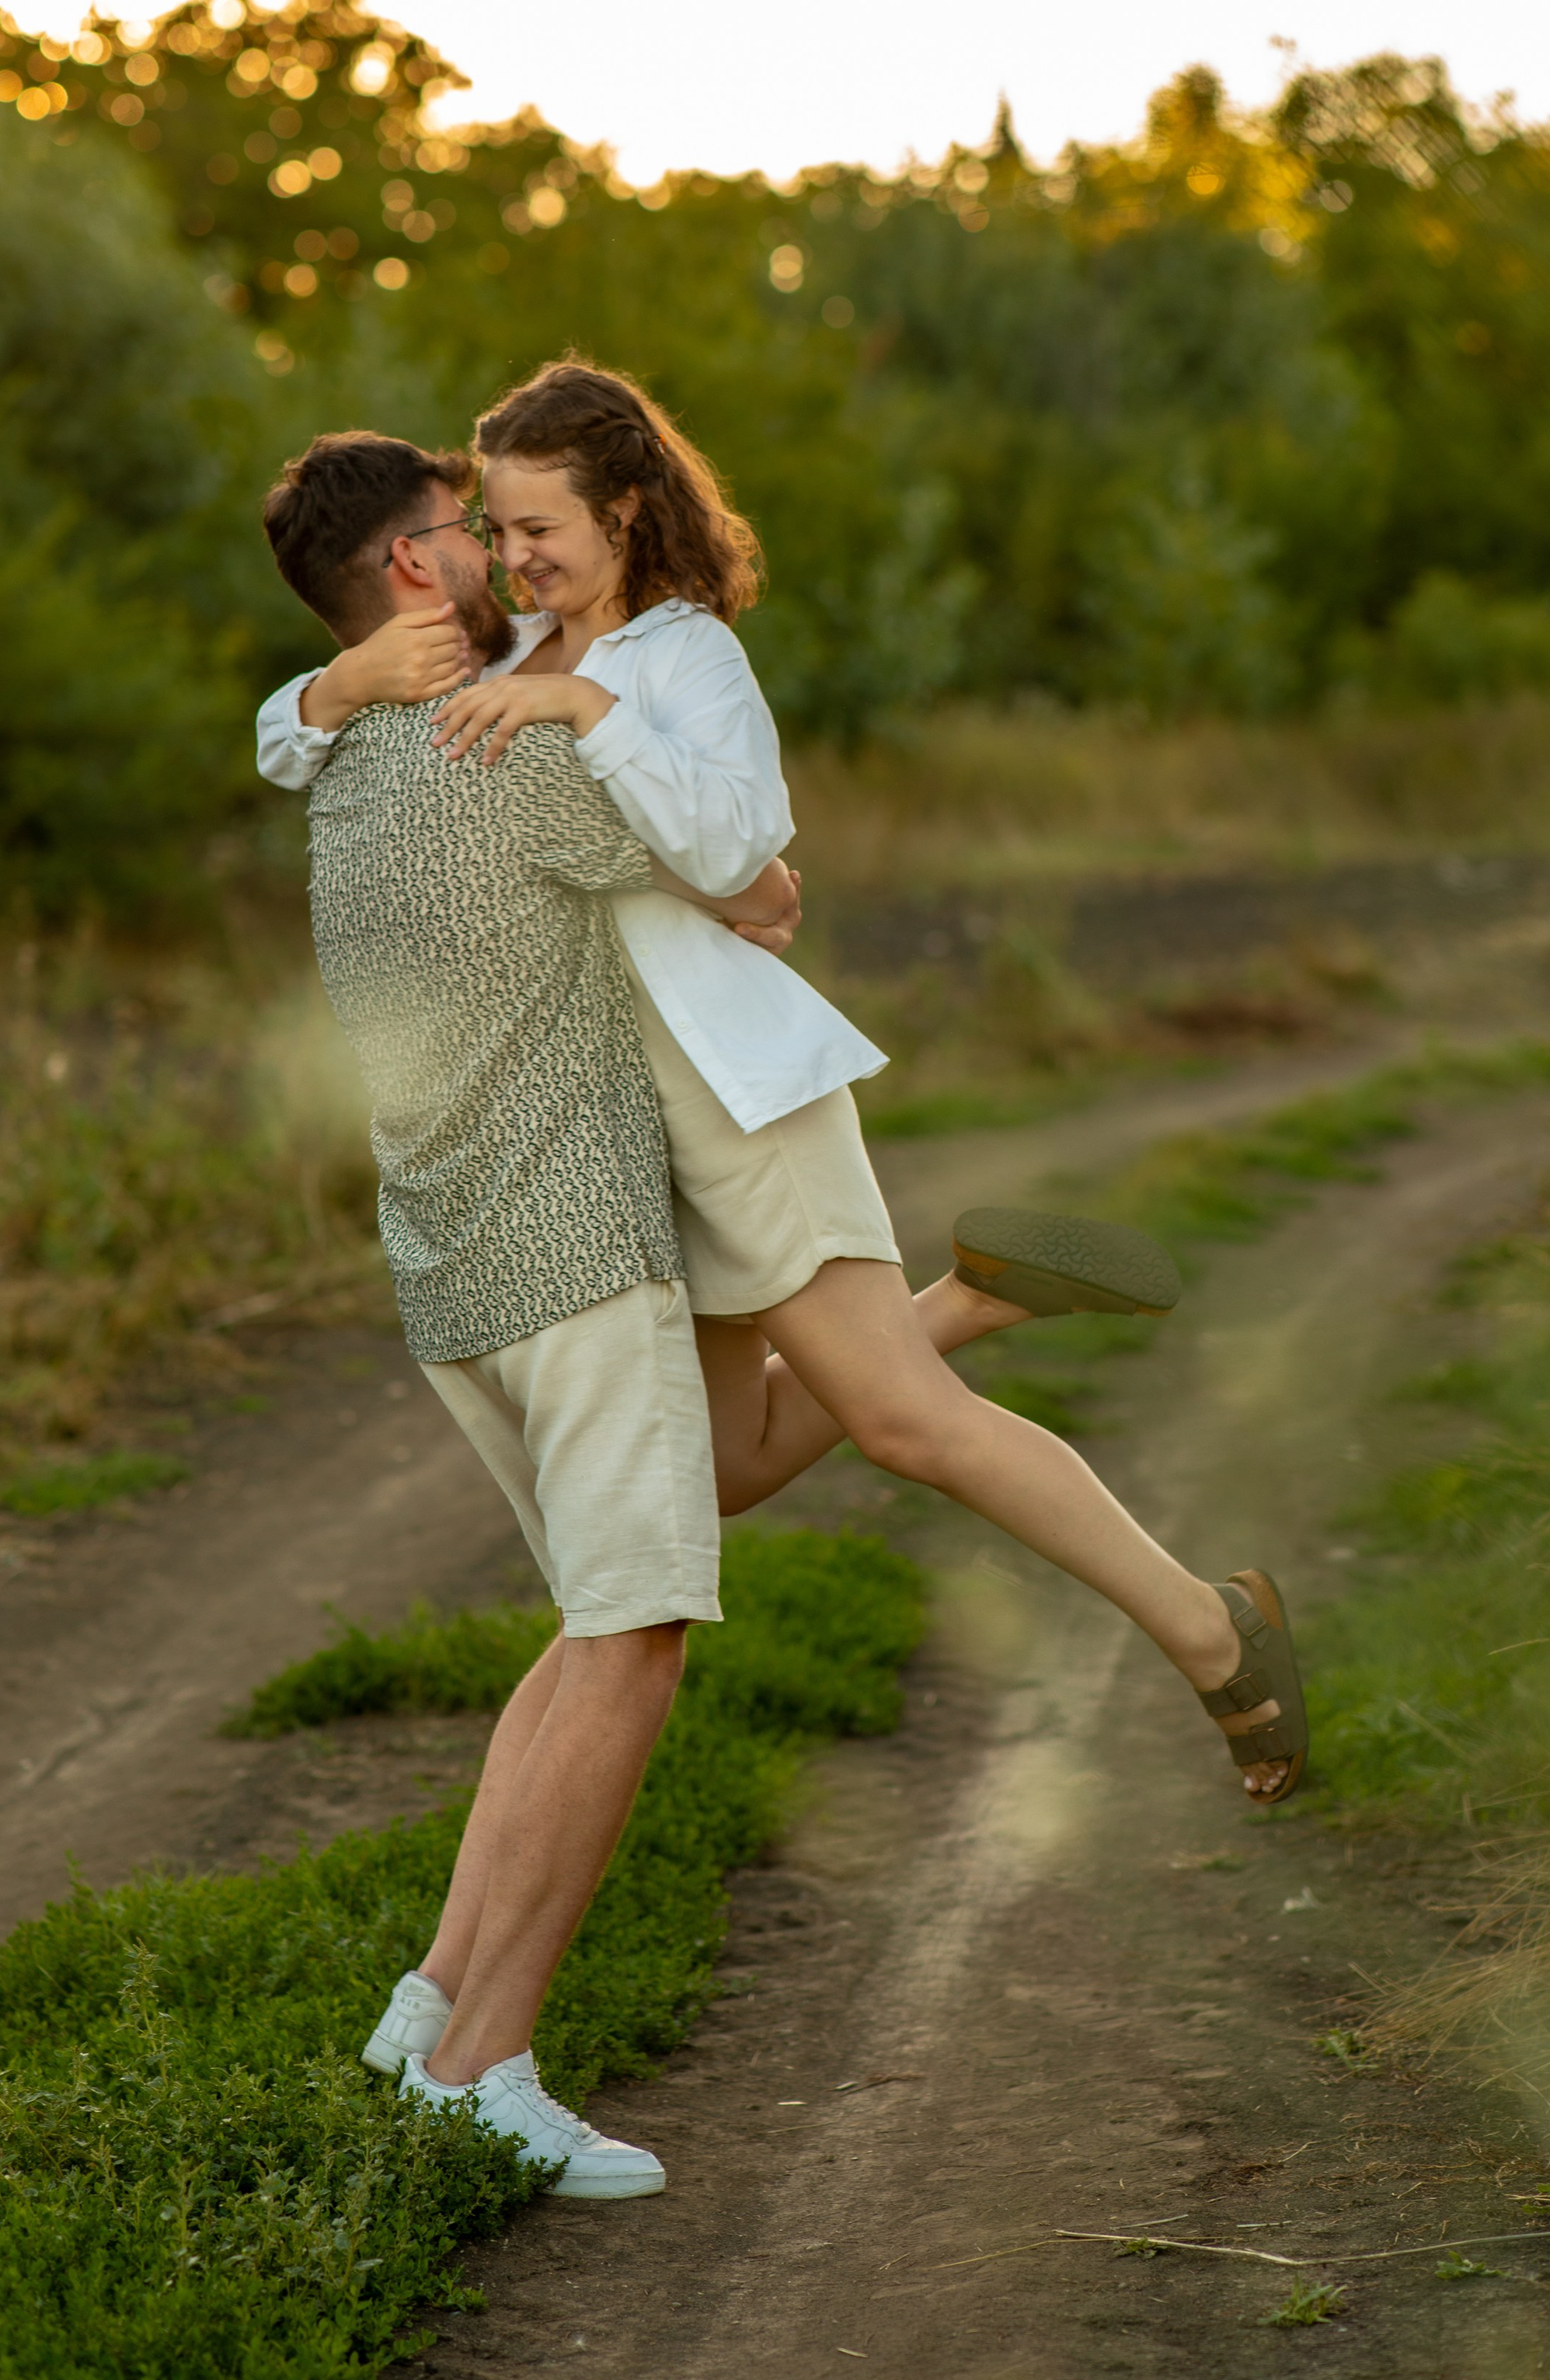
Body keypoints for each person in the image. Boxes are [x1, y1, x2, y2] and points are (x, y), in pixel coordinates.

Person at [258, 372, 1308, 1825]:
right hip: (611, 1138)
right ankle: (965, 1300)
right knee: (734, 1469)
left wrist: (585, 711)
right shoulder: (507, 648)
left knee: (904, 1426)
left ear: (624, 510)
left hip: (737, 1095)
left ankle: (1213, 1631)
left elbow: (741, 839)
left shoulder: (685, 657)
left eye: (541, 526)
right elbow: (294, 738)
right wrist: (324, 687)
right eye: (494, 532)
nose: (514, 559)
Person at [262, 430, 803, 2203]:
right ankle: (488, 2063)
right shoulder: (498, 742)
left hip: (448, 1274)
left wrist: (331, 686)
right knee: (636, 1639)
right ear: (413, 571)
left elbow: (296, 724)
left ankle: (428, 2006)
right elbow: (748, 879)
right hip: (574, 1258)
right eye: (462, 533)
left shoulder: (342, 754)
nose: (499, 554)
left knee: (585, 1628)